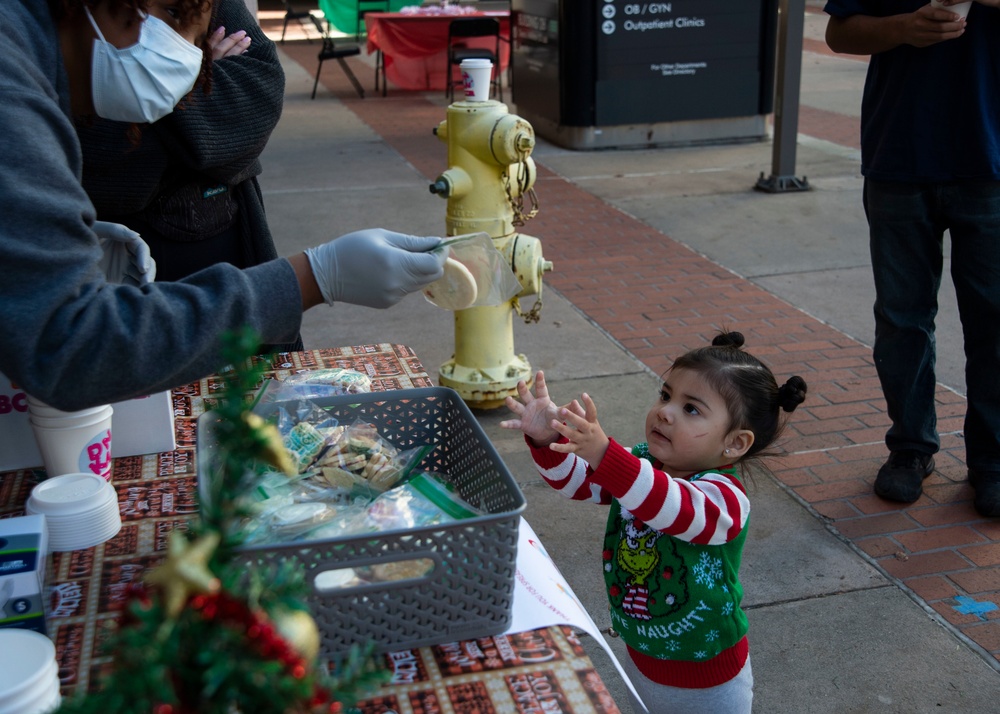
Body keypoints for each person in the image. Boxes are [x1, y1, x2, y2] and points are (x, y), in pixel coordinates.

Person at [0, 0, 445, 411]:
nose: (189, 61)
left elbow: (254, 93)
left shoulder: (40, 54)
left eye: (198, 45)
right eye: (174, 19)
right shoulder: (13, 87)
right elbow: (71, 344)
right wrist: (313, 277)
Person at [500, 332, 807, 714]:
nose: (665, 411)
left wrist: (604, 454)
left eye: (691, 408)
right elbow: (578, 482)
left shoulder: (724, 499)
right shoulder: (642, 466)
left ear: (736, 443)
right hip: (642, 652)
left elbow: (669, 505)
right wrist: (549, 440)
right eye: (666, 396)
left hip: (707, 675)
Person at [824, 0, 1000, 517]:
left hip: (991, 157)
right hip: (899, 151)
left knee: (994, 320)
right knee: (902, 317)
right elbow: (839, 31)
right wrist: (902, 27)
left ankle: (992, 461)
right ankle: (910, 449)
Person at [77, 0, 302, 354]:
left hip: (222, 235)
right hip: (107, 259)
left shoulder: (216, 5)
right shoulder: (42, 28)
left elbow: (258, 98)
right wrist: (200, 74)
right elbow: (87, 148)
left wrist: (150, 98)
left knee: (242, 391)